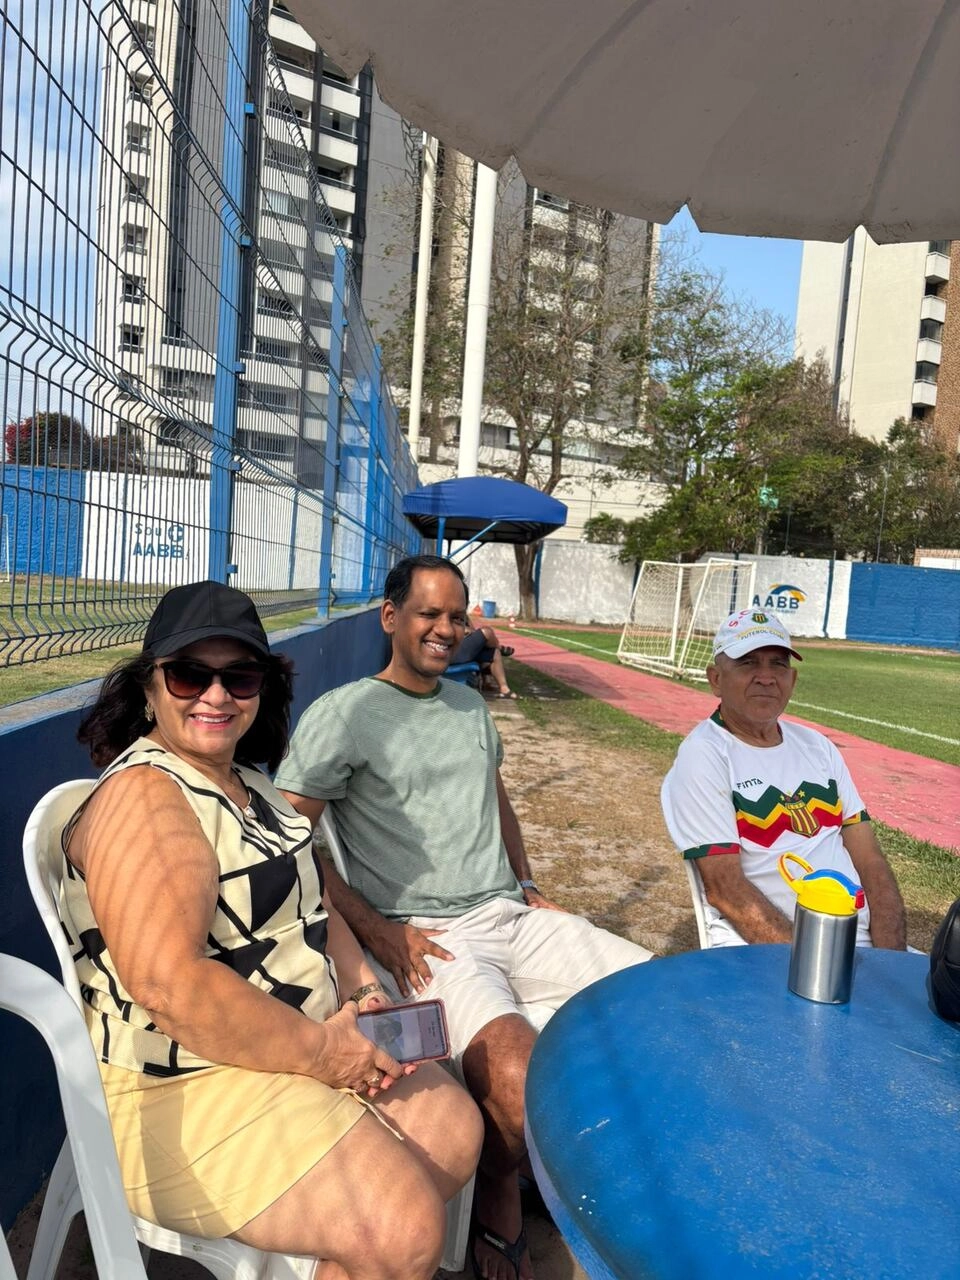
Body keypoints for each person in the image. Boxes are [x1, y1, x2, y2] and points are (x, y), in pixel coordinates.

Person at [59, 580, 482, 1280]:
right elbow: (172, 987)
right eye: (191, 674)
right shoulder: (145, 797)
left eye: (240, 676)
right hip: (178, 1084)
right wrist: (325, 1054)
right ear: (148, 687)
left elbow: (318, 902)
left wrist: (363, 989)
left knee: (454, 1132)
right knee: (403, 1226)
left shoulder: (248, 782)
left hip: (293, 1043)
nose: (216, 696)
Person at [276, 554, 652, 1280]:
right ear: (391, 618)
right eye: (428, 614)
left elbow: (496, 797)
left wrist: (527, 878)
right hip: (429, 939)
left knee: (658, 1004)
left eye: (456, 615)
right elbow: (294, 841)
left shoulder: (470, 705)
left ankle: (569, 1170)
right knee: (514, 1072)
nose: (446, 629)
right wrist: (379, 928)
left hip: (511, 912)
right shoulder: (346, 714)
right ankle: (499, 1194)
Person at [661, 607, 907, 950]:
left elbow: (871, 860)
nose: (766, 676)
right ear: (716, 679)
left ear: (792, 679)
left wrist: (890, 958)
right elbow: (727, 890)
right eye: (748, 662)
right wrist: (817, 962)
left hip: (856, 944)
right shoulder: (705, 754)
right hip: (767, 952)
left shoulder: (817, 746)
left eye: (778, 663)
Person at [452, 615, 518, 699]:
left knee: (494, 653)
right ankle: (500, 648)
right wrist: (464, 630)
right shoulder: (449, 610)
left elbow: (473, 630)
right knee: (487, 631)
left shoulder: (464, 615)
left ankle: (504, 689)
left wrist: (469, 630)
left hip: (465, 651)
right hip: (453, 651)